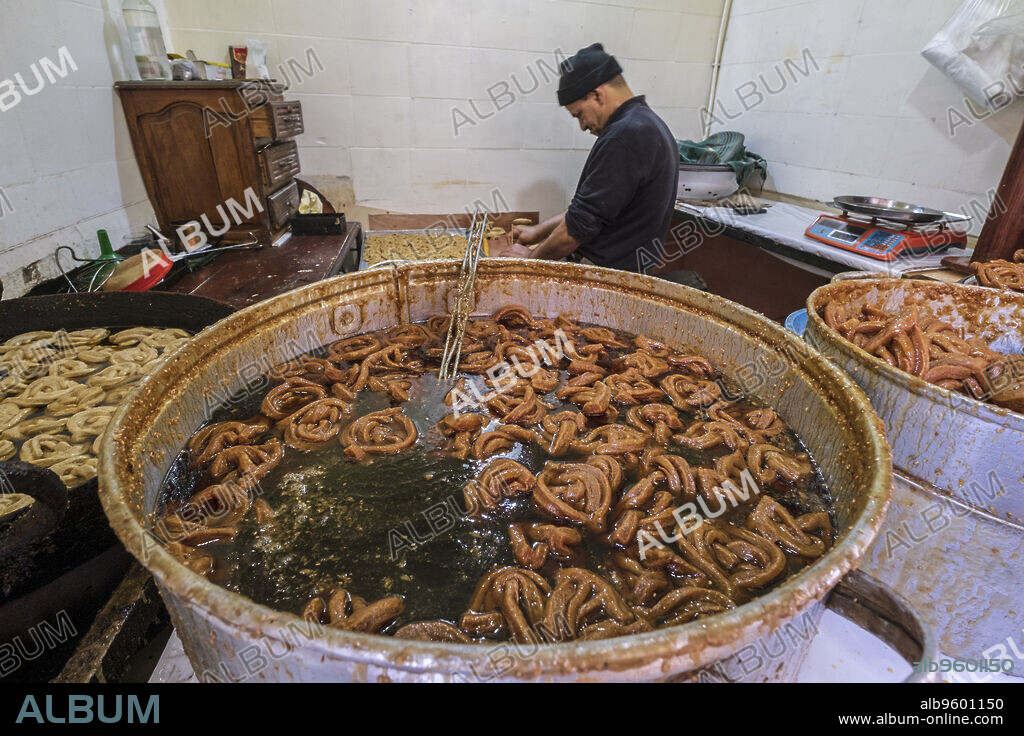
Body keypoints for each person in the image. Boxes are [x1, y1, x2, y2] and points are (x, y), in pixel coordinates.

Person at [497, 43, 678, 272]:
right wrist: (537, 231)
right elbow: (587, 211)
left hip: (605, 281)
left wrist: (531, 262)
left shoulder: (625, 136)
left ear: (597, 94)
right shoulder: (647, 124)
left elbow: (575, 231)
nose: (583, 126)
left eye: (579, 115)